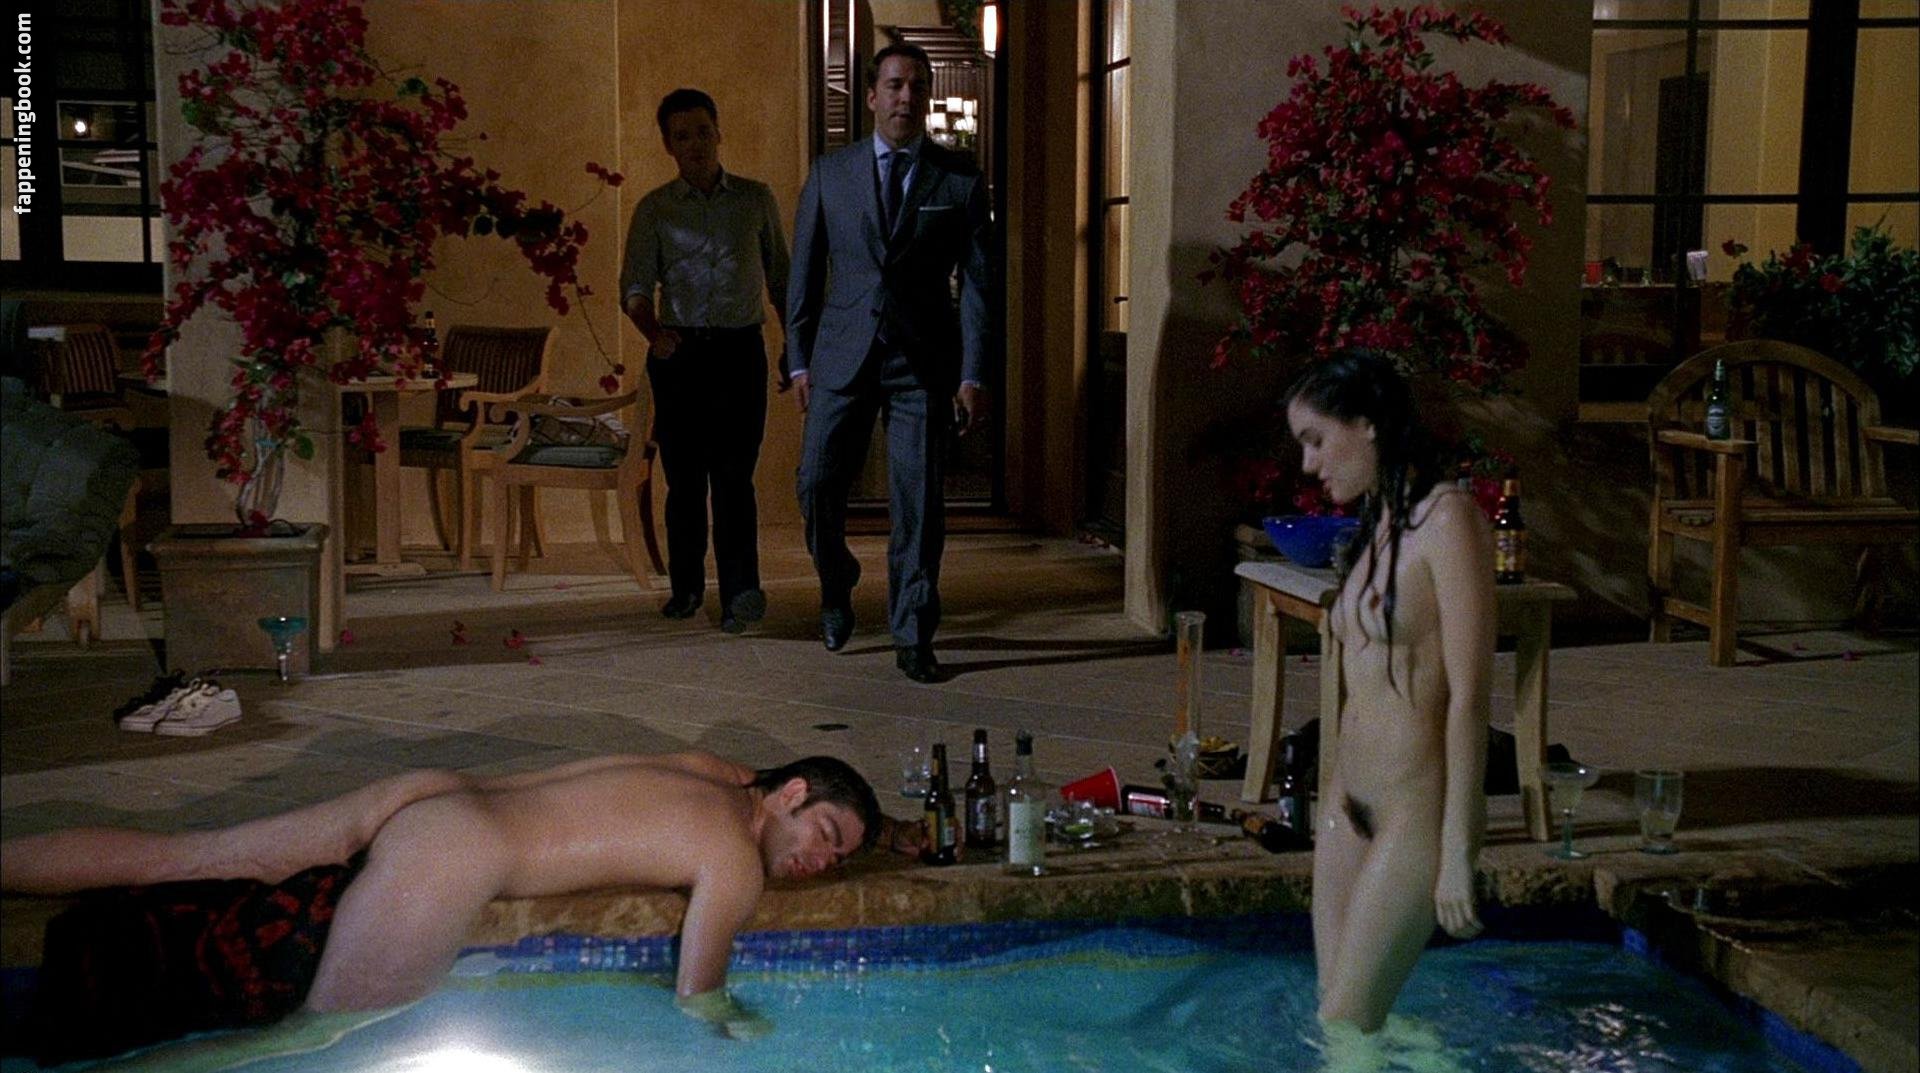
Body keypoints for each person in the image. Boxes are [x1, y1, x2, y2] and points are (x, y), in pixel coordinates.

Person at [1, 752, 902, 1064]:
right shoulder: (733, 859)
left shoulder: (706, 771)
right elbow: (698, 994)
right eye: (825, 832)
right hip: (457, 852)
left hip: (440, 793)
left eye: (838, 858)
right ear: (788, 794)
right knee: (310, 1038)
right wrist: (754, 1028)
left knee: (189, 856)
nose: (820, 860)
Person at [1284, 351, 1493, 1034]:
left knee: (1347, 1021)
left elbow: (1469, 697)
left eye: (1317, 440)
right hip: (1344, 805)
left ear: (1367, 424)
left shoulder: (1448, 520)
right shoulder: (1379, 526)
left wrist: (1460, 848)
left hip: (1410, 814)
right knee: (1335, 1015)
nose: (1309, 464)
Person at [785, 43, 995, 684]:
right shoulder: (830, 173)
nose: (907, 97)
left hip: (920, 363)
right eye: (896, 85)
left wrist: (972, 373)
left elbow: (979, 285)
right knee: (816, 482)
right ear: (872, 96)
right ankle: (837, 581)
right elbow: (804, 273)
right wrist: (798, 362)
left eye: (918, 87)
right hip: (840, 357)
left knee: (918, 503)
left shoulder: (957, 178)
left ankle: (912, 632)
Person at [621, 88, 790, 633]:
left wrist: (796, 347)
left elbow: (782, 279)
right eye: (681, 136)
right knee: (685, 480)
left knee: (736, 478)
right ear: (668, 145)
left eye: (701, 131)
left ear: (719, 132)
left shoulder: (755, 200)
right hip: (681, 355)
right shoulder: (655, 210)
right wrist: (653, 333)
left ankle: (741, 593)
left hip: (740, 352)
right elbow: (634, 287)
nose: (694, 144)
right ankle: (686, 588)